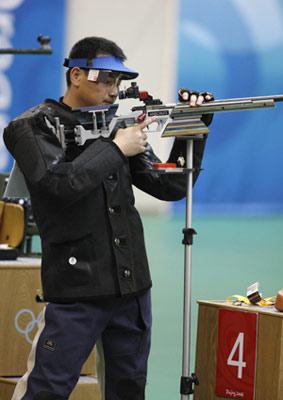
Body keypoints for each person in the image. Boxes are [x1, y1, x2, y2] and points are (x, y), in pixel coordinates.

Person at [3, 36, 213, 400]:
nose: (112, 90)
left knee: (129, 388)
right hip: (76, 285)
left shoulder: (115, 125)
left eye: (117, 82)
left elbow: (170, 187)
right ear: (76, 75)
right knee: (48, 388)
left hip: (131, 286)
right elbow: (58, 185)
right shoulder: (30, 126)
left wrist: (192, 126)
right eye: (105, 79)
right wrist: (116, 147)